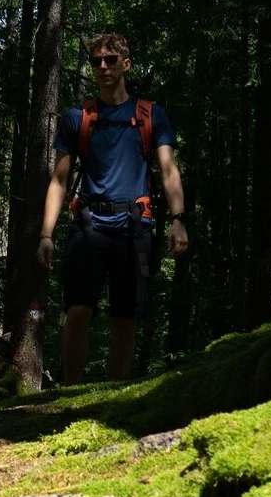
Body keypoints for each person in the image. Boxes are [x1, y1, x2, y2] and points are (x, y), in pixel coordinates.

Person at [36, 33, 188, 384]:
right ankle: (68, 396)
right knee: (77, 311)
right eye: (96, 61)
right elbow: (59, 180)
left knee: (125, 317)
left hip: (134, 229)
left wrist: (178, 221)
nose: (103, 66)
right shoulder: (78, 118)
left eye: (110, 60)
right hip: (88, 224)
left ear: (126, 64)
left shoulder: (152, 116)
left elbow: (169, 170)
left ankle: (111, 397)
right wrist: (46, 234)